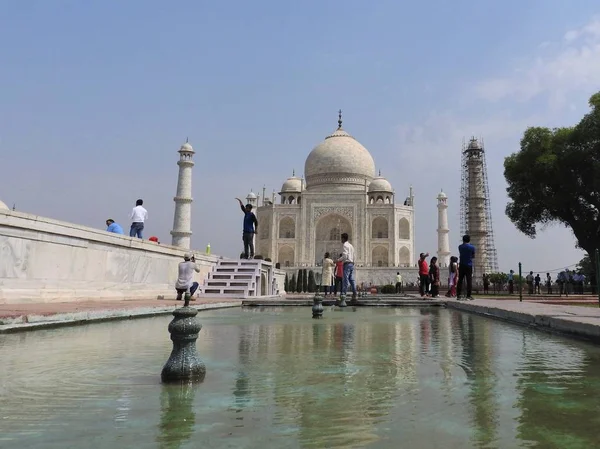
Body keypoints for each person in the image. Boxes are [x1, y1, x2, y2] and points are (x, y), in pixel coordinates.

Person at [338, 233, 357, 301]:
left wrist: (338, 260)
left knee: (345, 280)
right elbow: (354, 255)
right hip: (351, 264)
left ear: (343, 238)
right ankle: (355, 294)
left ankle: (343, 295)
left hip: (347, 264)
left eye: (341, 238)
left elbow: (345, 256)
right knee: (351, 280)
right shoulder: (351, 245)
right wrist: (353, 263)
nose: (341, 240)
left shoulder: (345, 245)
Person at [457, 235, 475, 300]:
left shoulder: (460, 247)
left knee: (460, 280)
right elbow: (473, 256)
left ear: (463, 240)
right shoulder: (472, 247)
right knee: (469, 280)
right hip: (469, 265)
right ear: (469, 240)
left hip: (461, 265)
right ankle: (468, 295)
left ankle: (458, 295)